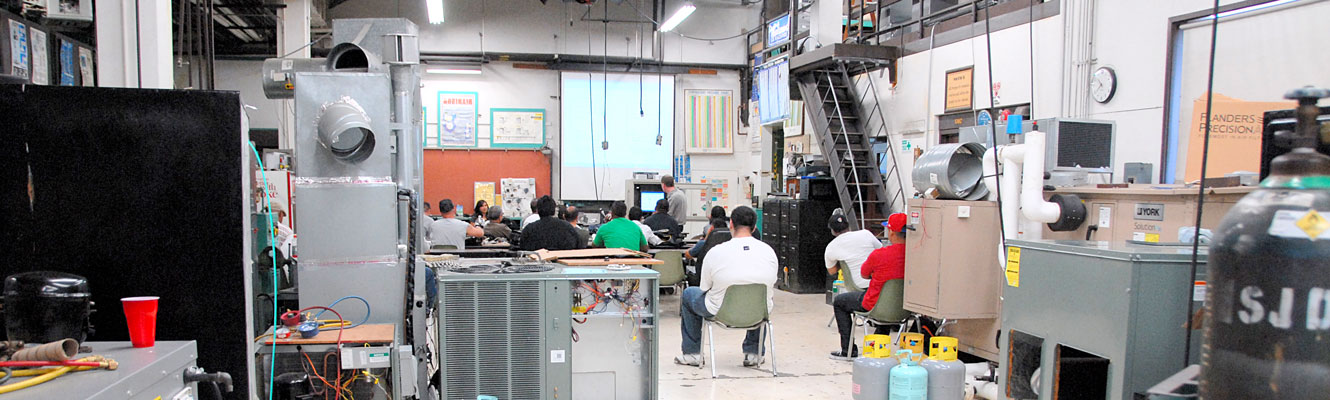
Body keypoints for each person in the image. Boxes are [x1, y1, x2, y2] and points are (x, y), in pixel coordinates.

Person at [675, 206, 776, 368]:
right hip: (759, 312)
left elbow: (704, 287)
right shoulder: (769, 252)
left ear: (731, 224)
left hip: (719, 311)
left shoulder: (716, 252)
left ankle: (692, 354)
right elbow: (770, 285)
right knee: (760, 297)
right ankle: (754, 353)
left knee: (689, 294)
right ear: (754, 227)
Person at [829, 213, 911, 361]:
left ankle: (848, 351)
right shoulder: (916, 255)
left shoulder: (879, 255)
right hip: (905, 308)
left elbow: (864, 274)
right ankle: (878, 345)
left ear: (892, 232)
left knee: (839, 301)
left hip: (876, 304)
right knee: (886, 300)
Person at [824, 213, 884, 291]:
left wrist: (842, 262)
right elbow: (882, 251)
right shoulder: (866, 234)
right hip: (879, 284)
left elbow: (832, 271)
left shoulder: (831, 247)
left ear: (833, 231)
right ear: (848, 225)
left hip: (858, 288)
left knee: (839, 298)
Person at [520, 195, 584, 251]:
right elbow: (578, 248)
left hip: (537, 260)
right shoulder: (568, 228)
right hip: (563, 260)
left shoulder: (529, 230)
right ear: (554, 210)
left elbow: (523, 249)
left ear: (538, 210)